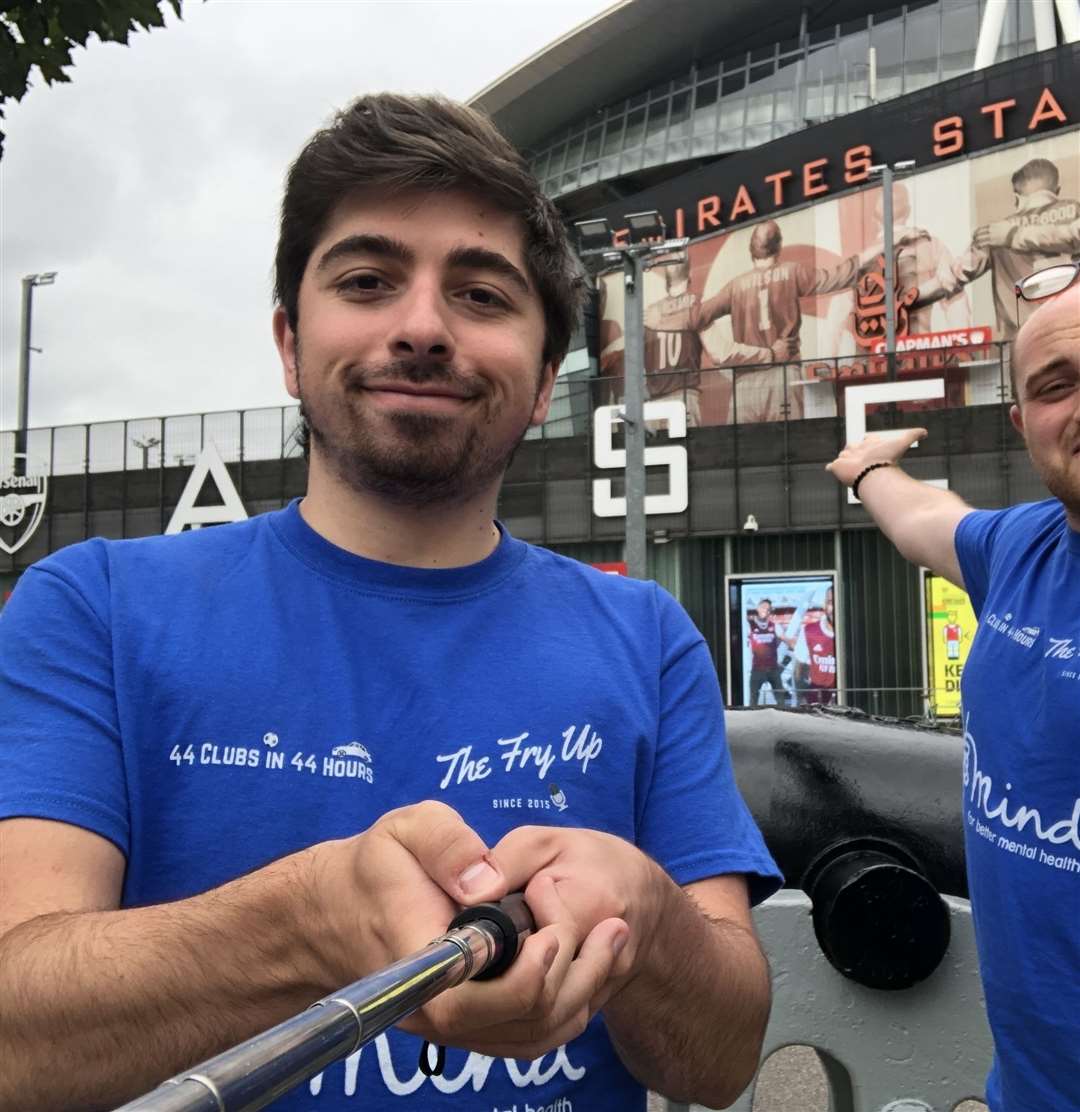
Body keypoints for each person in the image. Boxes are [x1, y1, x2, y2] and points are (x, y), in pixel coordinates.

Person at [0, 95, 781, 1112]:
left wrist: (646, 919)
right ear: (289, 341)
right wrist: (306, 923)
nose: (421, 328)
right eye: (368, 282)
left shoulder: (647, 637)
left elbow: (719, 1062)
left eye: (482, 295)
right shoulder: (90, 610)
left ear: (547, 378)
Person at [825, 261, 1080, 1111]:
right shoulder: (1024, 549)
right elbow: (924, 524)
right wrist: (867, 466)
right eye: (1057, 385)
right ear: (1023, 423)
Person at [923, 157, 1080, 339]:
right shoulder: (1074, 211)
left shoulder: (992, 233)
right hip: (1072, 330)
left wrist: (911, 297)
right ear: (1057, 190)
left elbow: (952, 278)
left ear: (1016, 198)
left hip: (1021, 343)